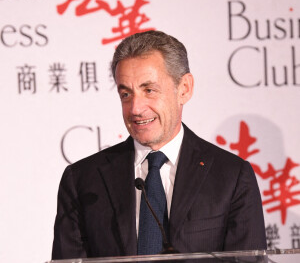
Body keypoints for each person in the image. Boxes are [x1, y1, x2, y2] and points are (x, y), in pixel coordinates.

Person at [52, 30, 267, 259]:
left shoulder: (231, 176)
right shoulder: (82, 179)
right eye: (126, 94)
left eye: (149, 90)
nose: (135, 108)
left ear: (184, 88)